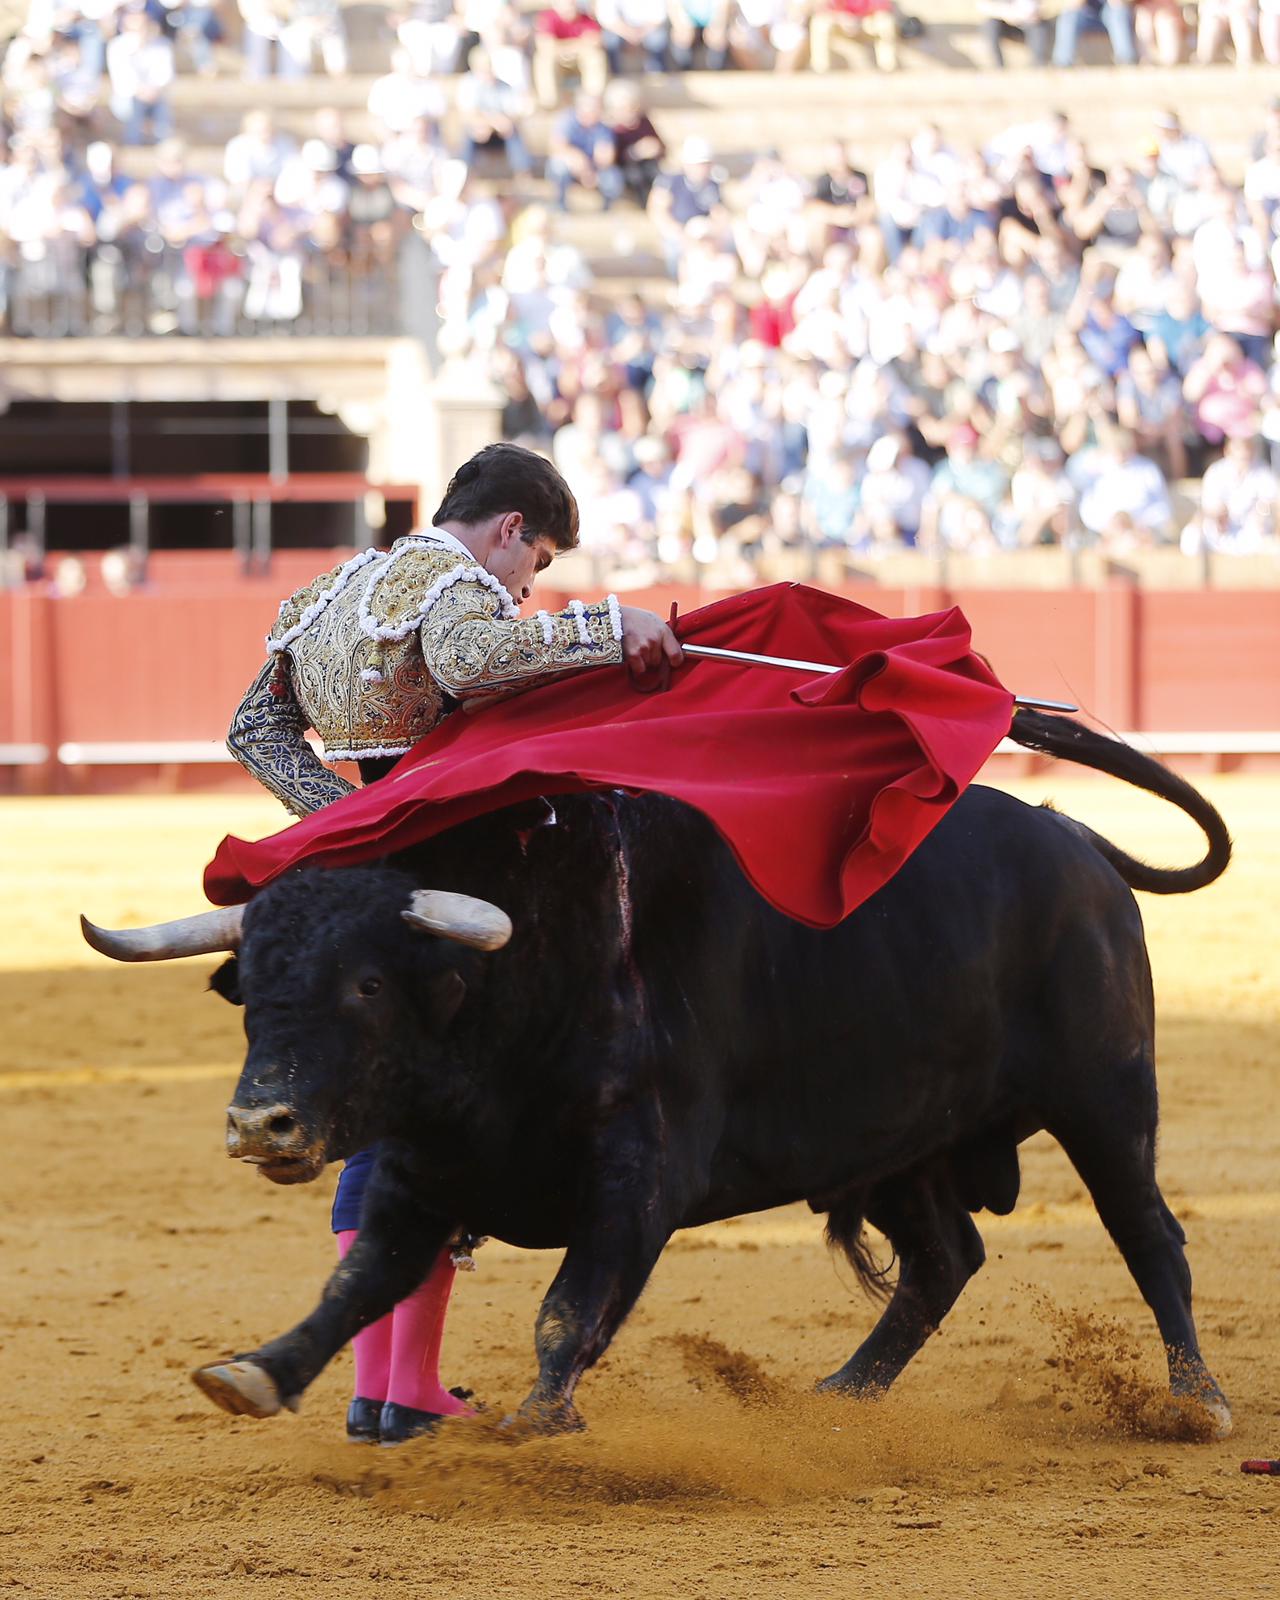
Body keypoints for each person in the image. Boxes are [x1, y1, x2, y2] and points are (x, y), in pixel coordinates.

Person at [226, 443, 682, 1445]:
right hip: (474, 888)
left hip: (375, 886)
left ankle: (386, 1388)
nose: (532, 586)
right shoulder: (455, 580)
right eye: (542, 560)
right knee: (451, 1123)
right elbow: (474, 662)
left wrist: (349, 824)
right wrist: (609, 627)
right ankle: (407, 1385)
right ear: (510, 528)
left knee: (382, 1119)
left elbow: (253, 725)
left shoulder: (335, 587)